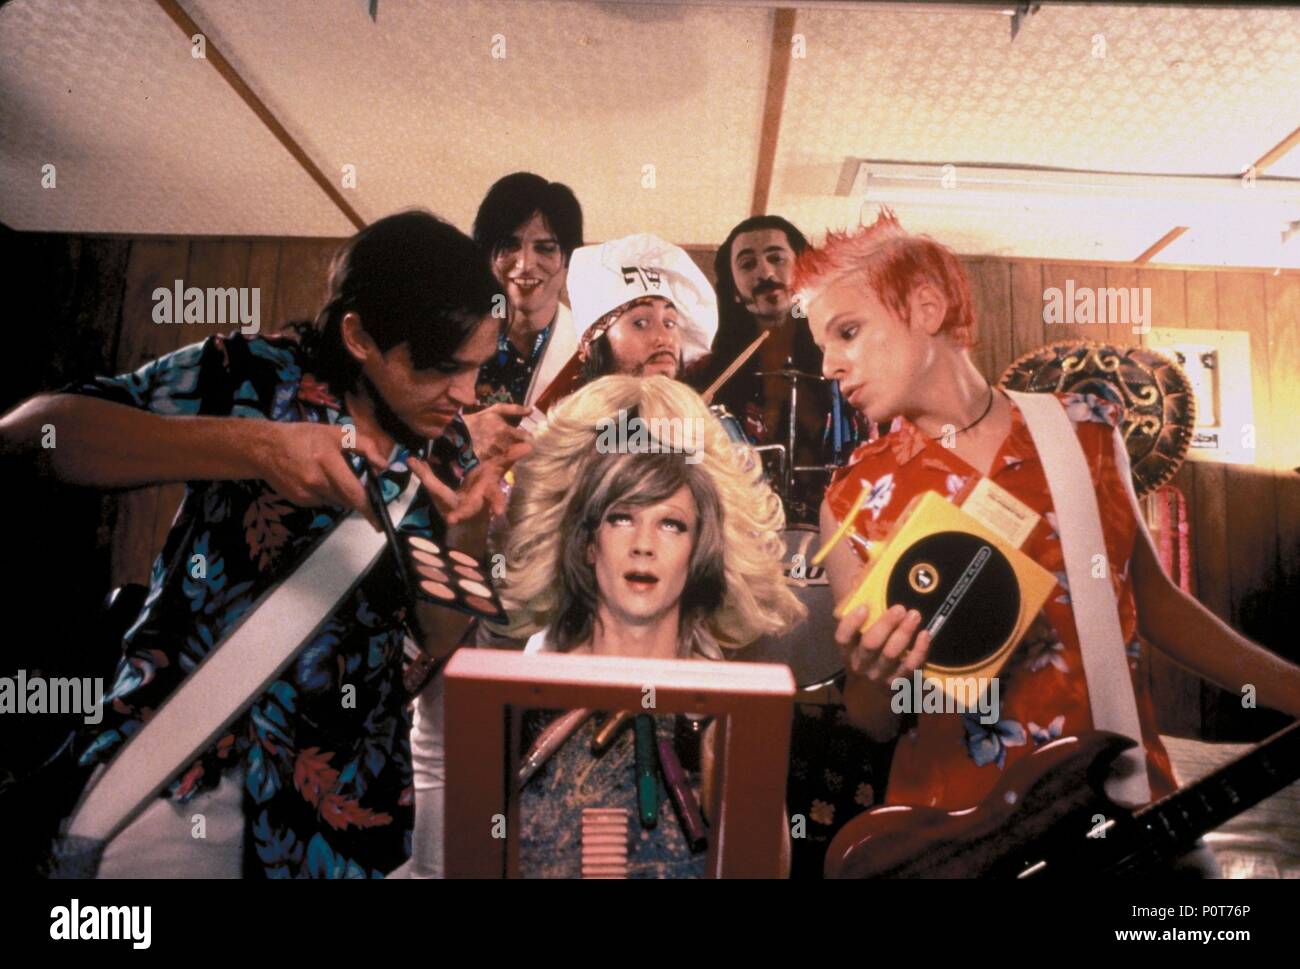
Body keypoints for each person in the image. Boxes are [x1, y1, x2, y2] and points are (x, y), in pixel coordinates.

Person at [0, 210, 529, 878]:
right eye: (442, 367)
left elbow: (432, 642)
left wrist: (467, 534)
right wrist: (254, 447)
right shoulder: (251, 372)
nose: (466, 394)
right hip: (172, 777)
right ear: (360, 335)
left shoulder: (449, 451)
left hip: (344, 827)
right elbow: (31, 437)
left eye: (479, 367)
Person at [801, 211, 1300, 853]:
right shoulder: (851, 498)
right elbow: (873, 719)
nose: (828, 367)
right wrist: (872, 674)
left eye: (846, 332)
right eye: (821, 345)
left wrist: (1291, 689)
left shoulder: (1084, 432)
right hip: (954, 840)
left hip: (1119, 809)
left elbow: (1153, 604)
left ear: (926, 308)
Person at [396, 375, 804, 877]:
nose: (644, 545)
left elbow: (763, 868)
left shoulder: (727, 714)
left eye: (671, 523)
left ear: (701, 550)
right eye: (620, 518)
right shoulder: (510, 698)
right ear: (587, 544)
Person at [707, 215, 859, 521]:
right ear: (734, 290)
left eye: (776, 258)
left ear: (804, 270)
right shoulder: (707, 374)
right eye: (747, 264)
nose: (765, 272)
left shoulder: (851, 357)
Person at [462, 171, 584, 459]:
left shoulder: (590, 345)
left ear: (569, 257)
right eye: (509, 246)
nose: (526, 264)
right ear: (487, 253)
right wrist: (461, 433)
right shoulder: (454, 335)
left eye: (546, 248)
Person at [530, 233, 718, 409]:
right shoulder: (565, 430)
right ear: (590, 344)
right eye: (641, 323)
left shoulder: (699, 426)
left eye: (669, 323)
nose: (664, 338)